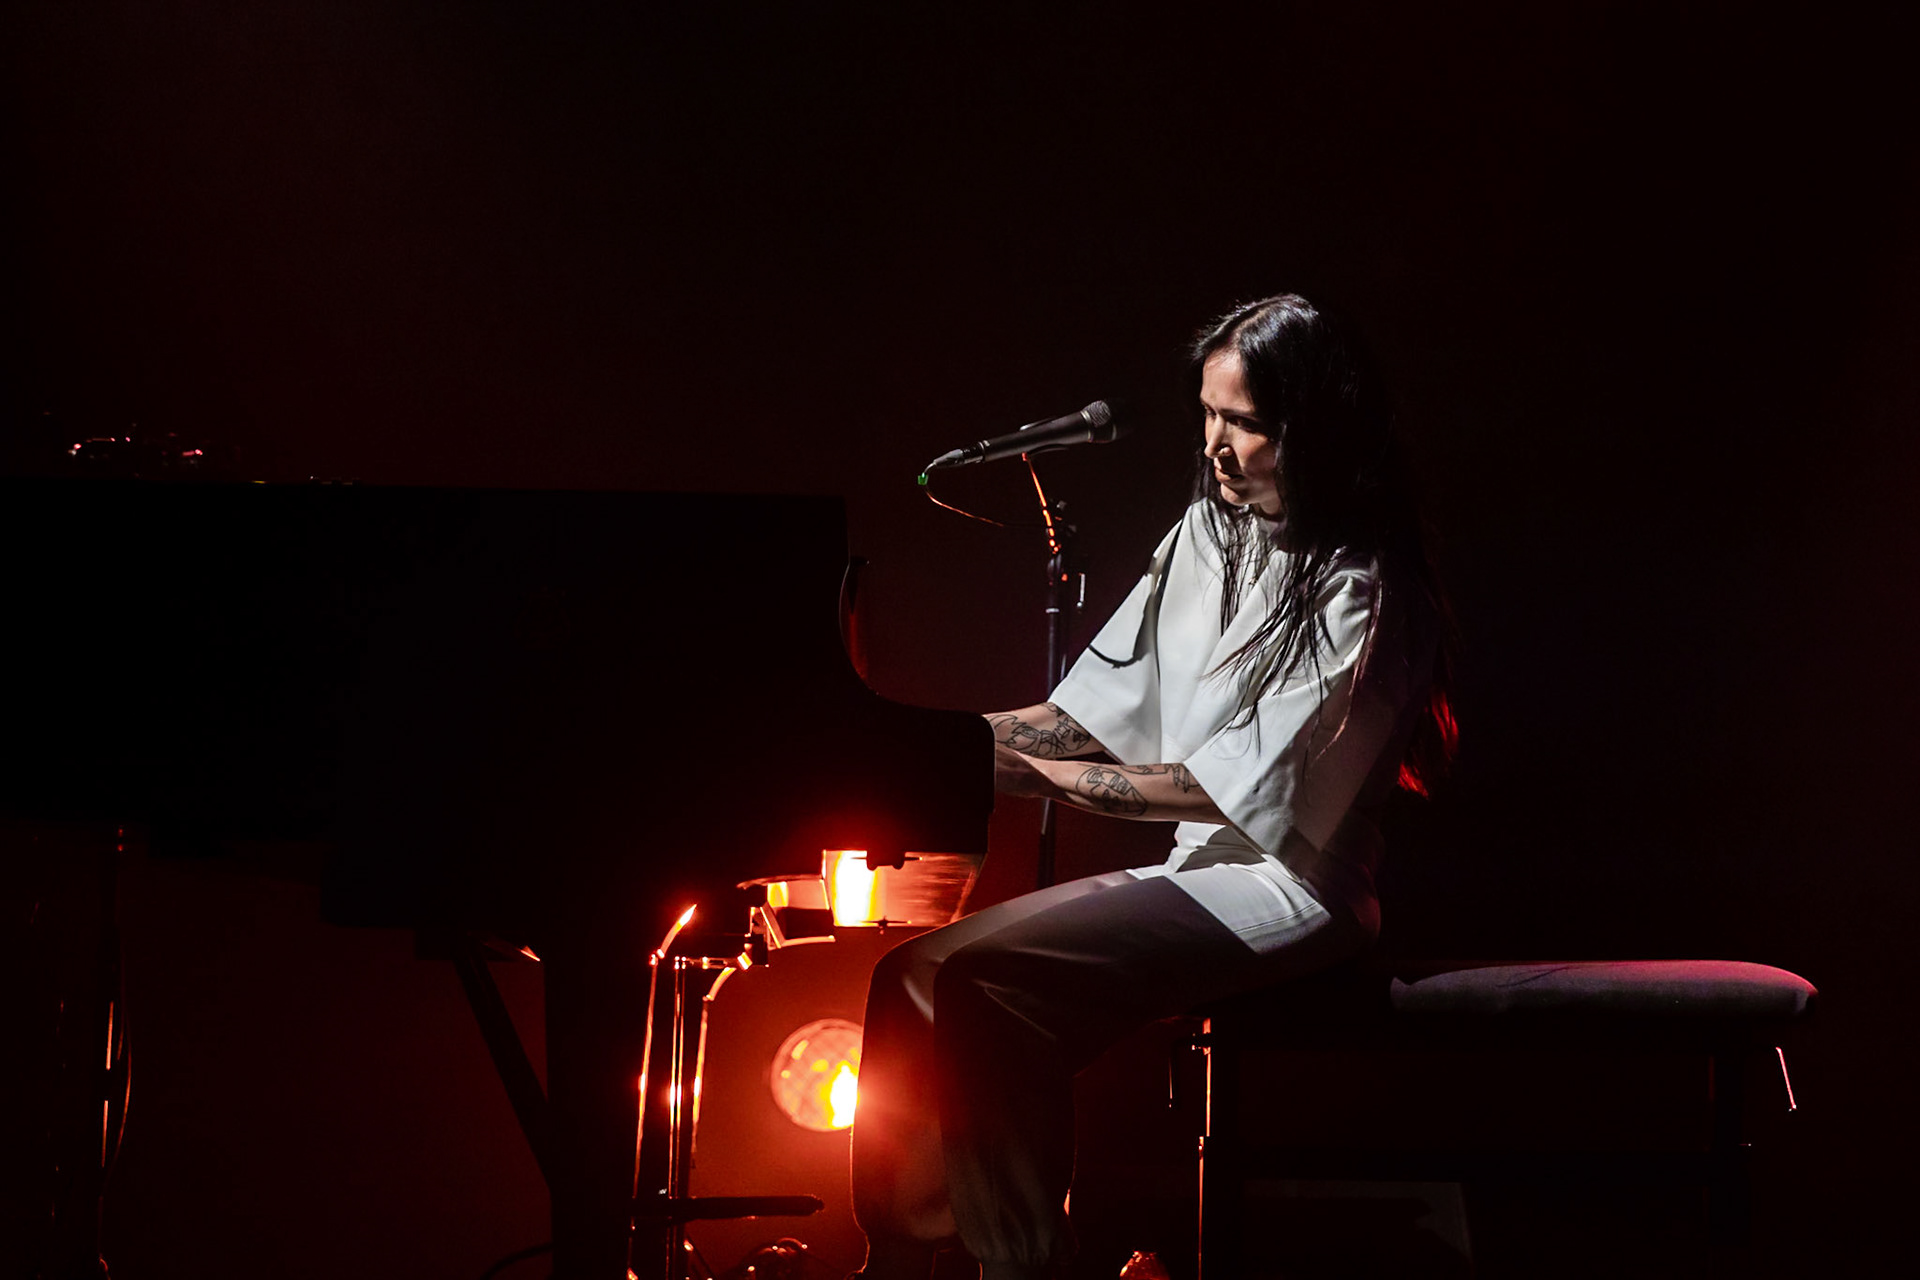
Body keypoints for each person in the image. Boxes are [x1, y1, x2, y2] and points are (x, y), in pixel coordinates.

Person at [848, 293, 1456, 1280]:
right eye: (1207, 413)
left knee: (986, 986)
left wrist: (1006, 770)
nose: (1215, 445)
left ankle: (1021, 1263)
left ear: (1314, 427)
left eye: (1243, 421)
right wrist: (916, 744)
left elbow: (1218, 791)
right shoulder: (1206, 537)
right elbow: (1079, 720)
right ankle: (906, 1259)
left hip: (1295, 887)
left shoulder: (1363, 586)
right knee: (908, 976)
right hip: (1199, 870)